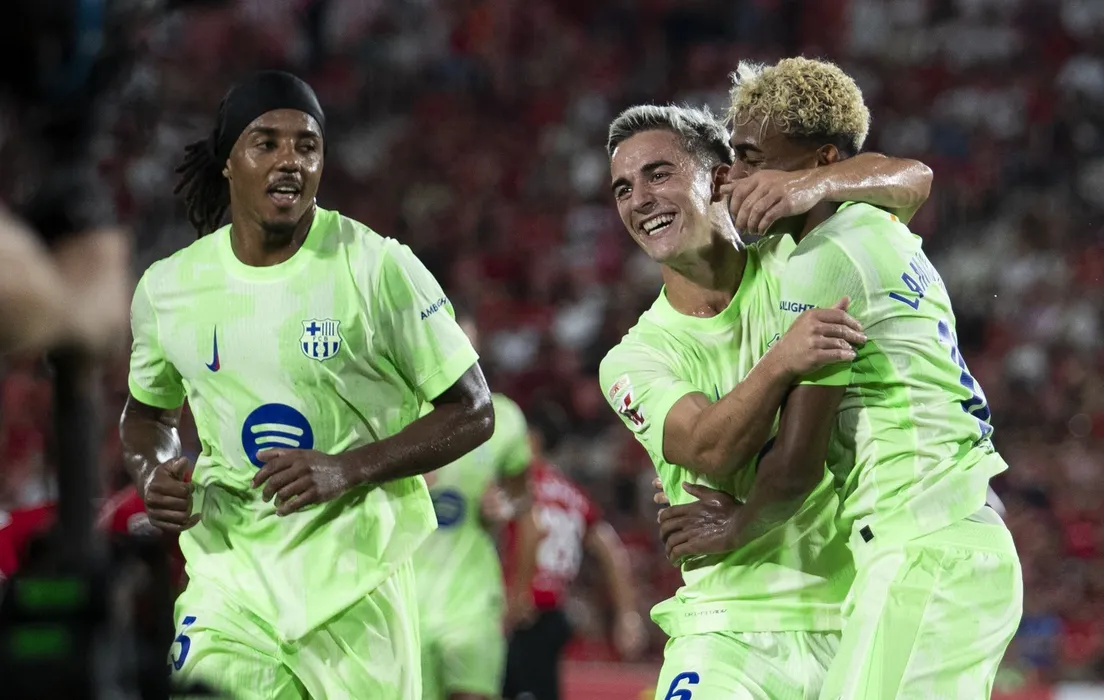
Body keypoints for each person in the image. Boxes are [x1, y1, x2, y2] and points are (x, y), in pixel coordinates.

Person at [119, 70, 495, 700]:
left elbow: (474, 410)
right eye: (266, 143)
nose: (290, 160)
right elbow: (147, 416)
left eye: (307, 145)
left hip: (357, 589)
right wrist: (153, 471)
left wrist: (346, 468)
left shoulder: (379, 267)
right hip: (230, 585)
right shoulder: (168, 288)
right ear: (228, 161)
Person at [659, 58, 1022, 699]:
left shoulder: (823, 259)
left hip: (924, 550)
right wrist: (812, 186)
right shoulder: (881, 227)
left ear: (821, 160)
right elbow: (910, 176)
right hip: (952, 543)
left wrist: (735, 528)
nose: (734, 176)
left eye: (752, 158)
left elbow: (797, 464)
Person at [601, 102, 933, 699]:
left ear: (719, 179)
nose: (639, 199)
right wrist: (784, 360)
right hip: (726, 628)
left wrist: (816, 183)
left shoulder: (804, 263)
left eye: (658, 174)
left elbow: (911, 180)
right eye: (623, 188)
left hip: (856, 615)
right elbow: (709, 449)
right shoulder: (634, 357)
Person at [413, 314, 532, 700]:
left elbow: (523, 498)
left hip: (472, 602)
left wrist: (505, 503)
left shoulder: (502, 418)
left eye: (465, 347)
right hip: (407, 603)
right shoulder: (400, 416)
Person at [501, 424, 646, 700]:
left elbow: (531, 532)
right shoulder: (573, 494)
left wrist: (518, 594)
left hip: (521, 611)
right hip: (554, 612)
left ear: (532, 441)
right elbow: (611, 550)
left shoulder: (519, 487)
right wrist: (627, 615)